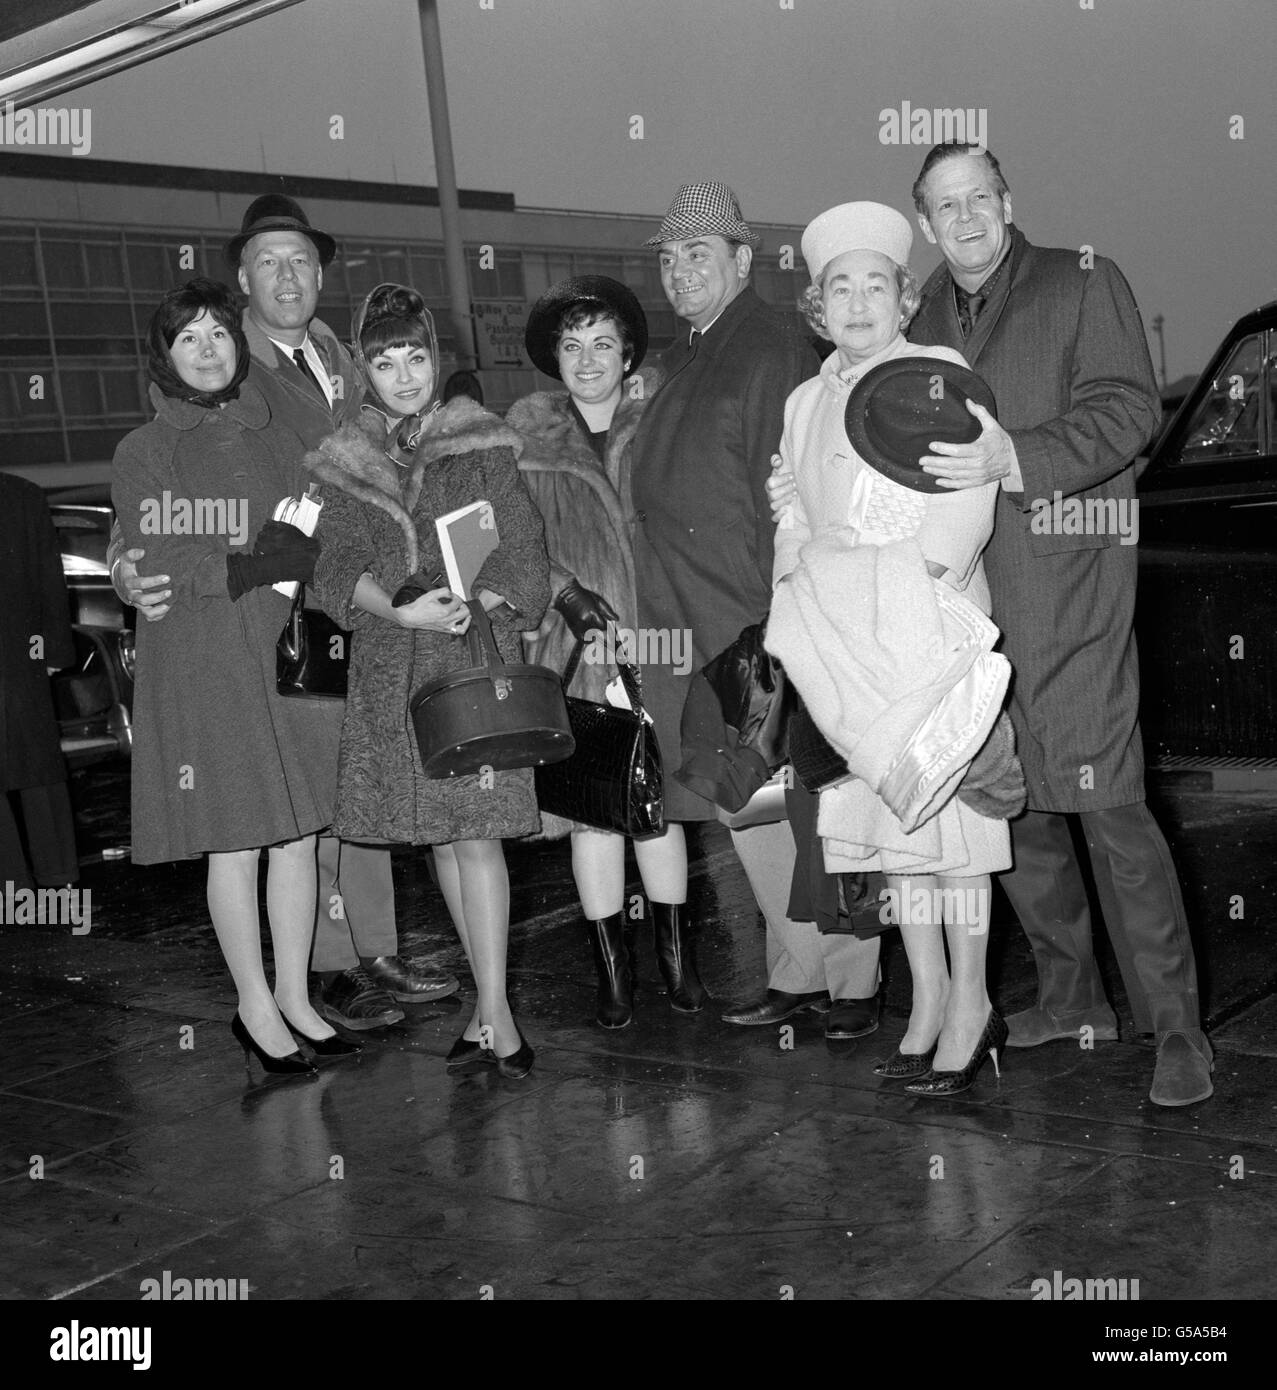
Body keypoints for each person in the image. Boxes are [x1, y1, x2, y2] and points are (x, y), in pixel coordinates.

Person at [905, 142, 1211, 1107]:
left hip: (1069, 586)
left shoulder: (1082, 281)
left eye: (978, 199)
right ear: (924, 223)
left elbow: (1127, 413)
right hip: (965, 603)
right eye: (943, 207)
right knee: (1017, 806)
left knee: (1111, 809)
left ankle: (1179, 1032)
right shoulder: (917, 314)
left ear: (1008, 201)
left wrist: (1014, 458)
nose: (963, 219)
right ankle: (1077, 1002)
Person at [109, 193, 456, 1030]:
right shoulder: (234, 378)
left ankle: (367, 949)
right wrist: (126, 563)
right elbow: (159, 507)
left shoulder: (352, 356)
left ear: (322, 272)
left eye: (300, 260)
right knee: (280, 812)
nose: (287, 275)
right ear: (242, 281)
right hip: (263, 627)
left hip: (353, 599)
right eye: (268, 262)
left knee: (343, 791)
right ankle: (329, 970)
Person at [769, 202, 1013, 1096]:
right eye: (841, 287)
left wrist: (912, 582)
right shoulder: (804, 401)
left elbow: (963, 500)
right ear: (818, 306)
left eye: (878, 284)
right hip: (844, 650)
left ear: (905, 299)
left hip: (924, 633)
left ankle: (973, 1003)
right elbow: (790, 510)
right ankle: (925, 999)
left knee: (953, 834)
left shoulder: (938, 376)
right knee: (895, 835)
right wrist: (799, 602)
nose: (860, 302)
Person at [630, 181, 882, 1036]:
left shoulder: (769, 341)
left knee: (818, 808)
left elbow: (792, 493)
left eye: (697, 254)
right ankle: (799, 968)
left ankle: (851, 984)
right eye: (667, 259)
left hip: (764, 626)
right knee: (757, 810)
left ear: (742, 260)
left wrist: (777, 624)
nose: (678, 272)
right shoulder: (693, 351)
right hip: (711, 631)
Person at [110, 277, 360, 1074]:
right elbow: (157, 554)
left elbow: (322, 521)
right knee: (236, 839)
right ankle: (252, 1005)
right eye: (190, 338)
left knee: (296, 832)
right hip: (207, 660)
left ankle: (294, 995)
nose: (209, 349)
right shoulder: (147, 450)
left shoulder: (278, 437)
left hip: (283, 653)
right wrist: (247, 563)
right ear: (167, 355)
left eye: (219, 333)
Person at [304, 283, 550, 1078]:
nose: (403, 374)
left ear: (436, 360)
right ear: (363, 369)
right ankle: (484, 1011)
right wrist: (401, 613)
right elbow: (332, 567)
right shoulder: (345, 459)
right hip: (394, 669)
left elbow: (522, 552)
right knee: (444, 844)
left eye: (415, 357)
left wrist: (477, 601)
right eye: (384, 360)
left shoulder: (480, 441)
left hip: (471, 664)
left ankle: (500, 1019)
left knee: (476, 842)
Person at [507, 275, 677, 1029]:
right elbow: (507, 543)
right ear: (554, 356)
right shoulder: (525, 443)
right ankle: (613, 976)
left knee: (664, 811)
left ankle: (678, 967)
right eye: (571, 345)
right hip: (574, 654)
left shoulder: (664, 422)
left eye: (602, 344)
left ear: (627, 352)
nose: (586, 359)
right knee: (595, 815)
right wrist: (564, 592)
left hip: (660, 645)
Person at [0, 474, 79, 895]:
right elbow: (50, 575)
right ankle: (49, 875)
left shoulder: (22, 495)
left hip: (21, 651)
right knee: (37, 765)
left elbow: (49, 575)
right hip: (23, 652)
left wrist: (51, 651)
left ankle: (35, 879)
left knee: (38, 766)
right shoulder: (22, 493)